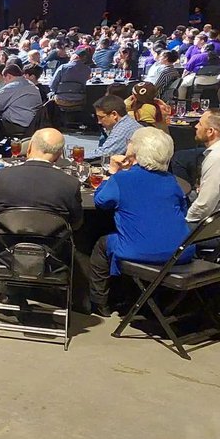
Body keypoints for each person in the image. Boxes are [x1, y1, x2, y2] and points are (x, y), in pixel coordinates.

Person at [89, 128, 194, 316]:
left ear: (137, 150)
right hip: (180, 251)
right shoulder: (171, 181)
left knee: (101, 244)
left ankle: (100, 302)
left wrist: (113, 173)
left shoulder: (123, 179)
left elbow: (101, 201)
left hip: (140, 251)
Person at [0, 128, 83, 228]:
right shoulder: (71, 183)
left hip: (6, 242)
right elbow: (76, 223)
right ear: (59, 155)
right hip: (53, 244)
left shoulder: (0, 177)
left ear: (29, 147)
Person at [86, 94, 143, 162]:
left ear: (114, 114)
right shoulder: (126, 123)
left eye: (101, 117)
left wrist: (77, 156)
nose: (99, 122)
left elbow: (105, 153)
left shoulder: (123, 129)